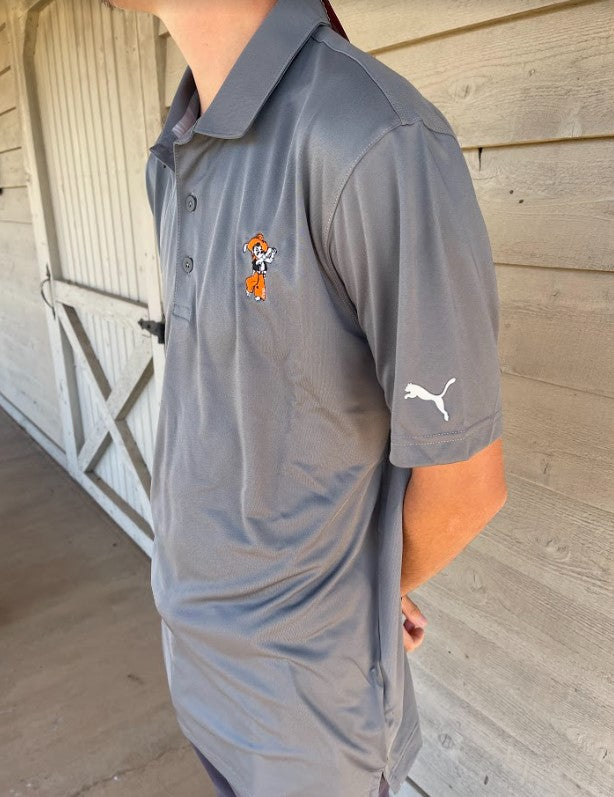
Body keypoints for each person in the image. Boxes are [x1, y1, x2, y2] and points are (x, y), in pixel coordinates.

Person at [101, 1, 508, 795]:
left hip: (304, 731)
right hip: (200, 675)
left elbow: (467, 485)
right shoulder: (176, 150)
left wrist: (365, 592)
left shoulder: (370, 138)